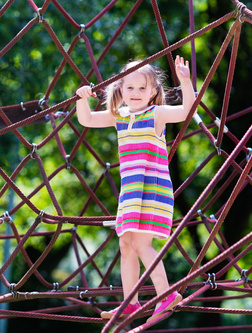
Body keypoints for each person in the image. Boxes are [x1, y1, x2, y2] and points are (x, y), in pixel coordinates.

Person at [75, 55, 196, 322]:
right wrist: (81, 98)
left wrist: (185, 82)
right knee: (126, 244)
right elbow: (86, 120)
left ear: (154, 91)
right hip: (131, 192)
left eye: (142, 88)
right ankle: (131, 303)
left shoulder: (156, 114)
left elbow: (187, 111)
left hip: (153, 190)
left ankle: (167, 295)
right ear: (120, 90)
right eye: (129, 88)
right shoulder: (120, 116)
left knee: (141, 243)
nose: (136, 93)